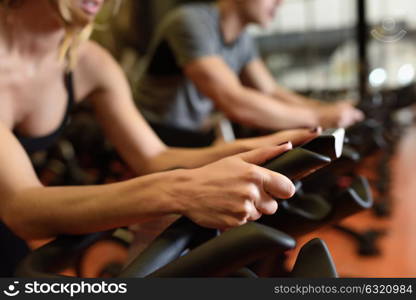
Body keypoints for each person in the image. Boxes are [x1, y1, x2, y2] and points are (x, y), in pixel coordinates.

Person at [0, 0, 319, 276]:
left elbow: (154, 157)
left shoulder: (88, 63)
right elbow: (21, 207)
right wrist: (181, 190)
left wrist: (266, 148)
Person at [136, 0, 364, 147]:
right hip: (153, 132)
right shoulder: (190, 21)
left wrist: (326, 110)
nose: (280, 3)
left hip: (192, 133)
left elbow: (271, 90)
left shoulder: (242, 39)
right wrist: (318, 119)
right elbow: (232, 100)